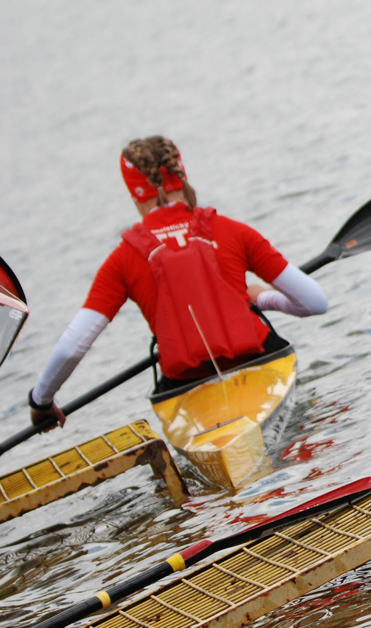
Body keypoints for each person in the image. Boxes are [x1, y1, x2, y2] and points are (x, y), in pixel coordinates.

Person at [27, 136, 328, 430]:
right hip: (260, 362)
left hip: (185, 387)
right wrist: (262, 298)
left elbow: (71, 348)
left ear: (134, 195)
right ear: (182, 177)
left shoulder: (123, 259)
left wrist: (41, 401)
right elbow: (315, 302)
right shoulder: (232, 231)